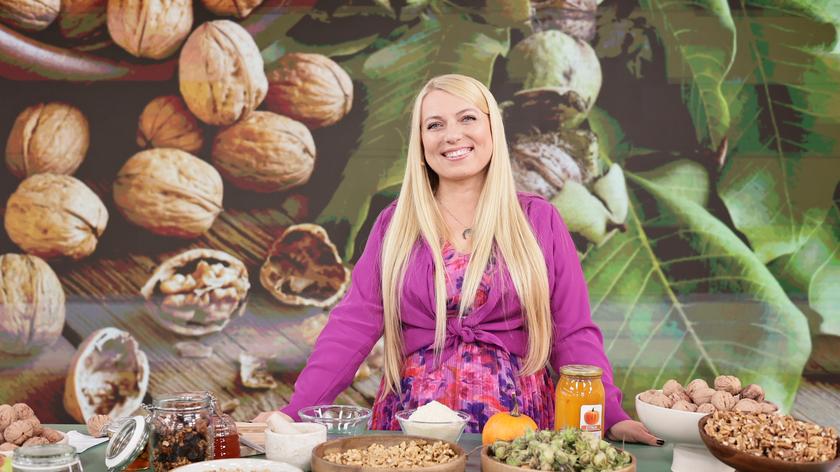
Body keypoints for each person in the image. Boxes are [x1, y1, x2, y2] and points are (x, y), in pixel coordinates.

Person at [255, 74, 660, 445]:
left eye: (467, 118)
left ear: (492, 128)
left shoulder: (539, 220)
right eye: (434, 125)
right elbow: (353, 326)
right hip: (409, 430)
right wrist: (295, 411)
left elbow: (573, 333)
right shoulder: (395, 224)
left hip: (520, 431)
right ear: (420, 142)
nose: (452, 135)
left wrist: (609, 414)